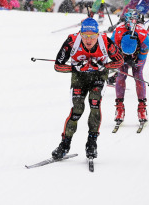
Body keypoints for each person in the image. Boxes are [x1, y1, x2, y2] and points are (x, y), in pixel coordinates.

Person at [52, 18, 124, 160]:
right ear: (80, 34)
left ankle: (91, 143)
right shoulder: (72, 41)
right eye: (85, 36)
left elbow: (119, 61)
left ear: (98, 34)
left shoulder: (105, 41)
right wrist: (75, 67)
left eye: (92, 36)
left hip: (98, 76)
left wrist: (104, 66)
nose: (88, 40)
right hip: (79, 77)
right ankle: (65, 144)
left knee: (94, 104)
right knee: (77, 110)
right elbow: (57, 65)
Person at [111, 10, 149, 123]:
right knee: (120, 76)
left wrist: (137, 61)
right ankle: (119, 107)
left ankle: (142, 107)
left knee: (138, 75)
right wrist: (120, 59)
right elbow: (110, 51)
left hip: (138, 54)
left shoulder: (144, 39)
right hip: (121, 53)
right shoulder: (116, 35)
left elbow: (143, 56)